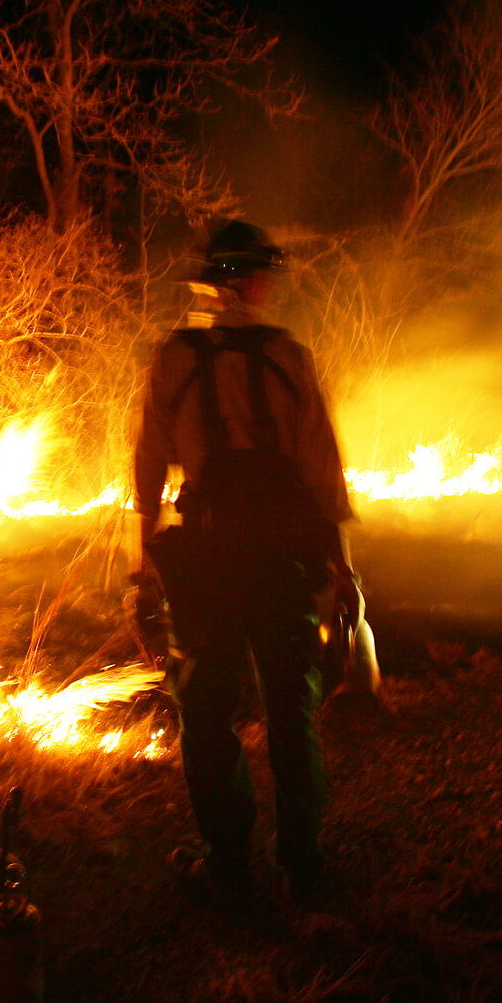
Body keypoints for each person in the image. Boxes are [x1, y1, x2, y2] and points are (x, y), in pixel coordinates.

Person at [133, 220, 356, 904]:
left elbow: (147, 466)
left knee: (206, 713)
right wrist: (343, 567)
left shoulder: (174, 357)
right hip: (281, 553)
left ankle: (228, 863)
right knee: (293, 711)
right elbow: (324, 467)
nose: (264, 285)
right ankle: (304, 864)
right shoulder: (289, 356)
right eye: (262, 274)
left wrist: (144, 564)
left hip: (207, 555)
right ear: (251, 281)